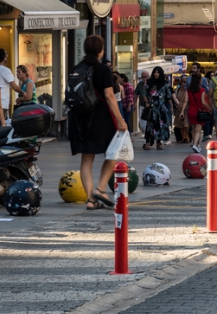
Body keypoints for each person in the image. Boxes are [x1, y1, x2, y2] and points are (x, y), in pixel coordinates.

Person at [67, 35, 127, 211]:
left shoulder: (77, 68)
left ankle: (90, 200)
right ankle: (101, 189)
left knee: (86, 159)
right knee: (112, 154)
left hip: (79, 118)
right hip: (99, 117)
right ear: (101, 50)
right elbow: (109, 96)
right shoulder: (103, 70)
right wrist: (120, 120)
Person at [140, 66, 173, 150]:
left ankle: (159, 143)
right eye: (155, 72)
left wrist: (171, 107)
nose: (156, 74)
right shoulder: (149, 82)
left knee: (161, 125)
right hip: (152, 107)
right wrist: (146, 102)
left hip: (162, 107)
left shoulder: (165, 83)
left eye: (158, 72)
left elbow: (169, 96)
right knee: (150, 125)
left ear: (161, 73)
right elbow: (143, 92)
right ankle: (147, 143)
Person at [0, 48, 22, 119]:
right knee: (1, 126)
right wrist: (23, 93)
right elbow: (14, 86)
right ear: (4, 58)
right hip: (2, 103)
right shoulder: (5, 70)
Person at [186, 73, 211, 153]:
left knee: (194, 130)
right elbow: (203, 102)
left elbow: (186, 101)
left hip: (190, 111)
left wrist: (182, 111)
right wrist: (210, 108)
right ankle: (195, 144)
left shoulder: (188, 90)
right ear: (199, 81)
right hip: (199, 112)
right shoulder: (202, 90)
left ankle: (196, 145)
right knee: (198, 130)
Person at [173, 75, 190, 143]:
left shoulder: (188, 90)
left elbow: (186, 100)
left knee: (185, 124)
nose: (184, 83)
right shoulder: (178, 89)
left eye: (186, 81)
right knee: (179, 124)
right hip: (179, 108)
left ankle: (187, 137)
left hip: (186, 108)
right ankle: (183, 137)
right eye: (183, 81)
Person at [134, 71, 149, 135]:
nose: (144, 78)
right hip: (142, 105)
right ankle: (146, 133)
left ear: (148, 76)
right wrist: (134, 103)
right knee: (142, 123)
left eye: (145, 76)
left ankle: (148, 135)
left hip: (150, 106)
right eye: (143, 76)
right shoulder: (140, 84)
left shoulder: (151, 84)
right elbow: (136, 94)